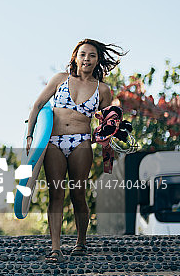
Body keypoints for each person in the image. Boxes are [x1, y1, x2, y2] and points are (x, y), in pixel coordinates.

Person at [26, 39, 125, 263]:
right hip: (53, 141)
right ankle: (55, 248)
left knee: (78, 193)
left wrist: (108, 147)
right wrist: (30, 135)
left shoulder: (103, 89)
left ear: (98, 60)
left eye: (92, 55)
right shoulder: (60, 79)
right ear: (75, 57)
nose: (87, 59)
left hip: (81, 142)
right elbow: (37, 105)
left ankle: (81, 242)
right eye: (83, 54)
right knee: (56, 193)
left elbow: (108, 122)